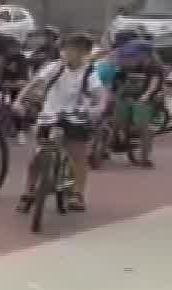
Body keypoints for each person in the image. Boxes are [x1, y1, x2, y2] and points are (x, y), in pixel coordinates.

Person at [15, 33, 106, 212]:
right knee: (37, 157)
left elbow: (100, 93)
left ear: (84, 53)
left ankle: (77, 194)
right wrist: (19, 101)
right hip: (50, 115)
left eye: (75, 50)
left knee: (78, 156)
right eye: (66, 49)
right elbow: (34, 83)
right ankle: (28, 192)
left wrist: (99, 107)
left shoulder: (89, 72)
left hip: (77, 116)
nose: (69, 53)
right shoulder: (54, 68)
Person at [105, 38, 162, 167]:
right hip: (125, 97)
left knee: (143, 126)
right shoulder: (125, 63)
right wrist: (113, 95)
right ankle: (112, 145)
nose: (131, 58)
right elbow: (117, 81)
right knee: (118, 122)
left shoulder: (153, 66)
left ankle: (145, 157)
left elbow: (154, 84)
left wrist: (145, 97)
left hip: (144, 98)